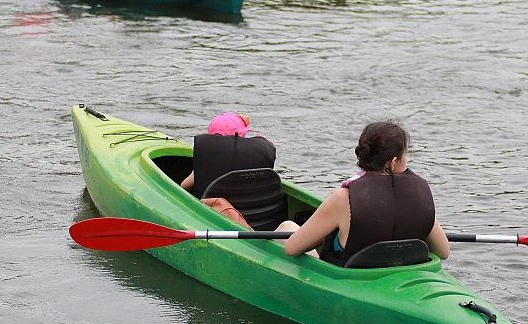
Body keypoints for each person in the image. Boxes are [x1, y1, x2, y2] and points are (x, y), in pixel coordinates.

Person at [274, 121, 449, 264]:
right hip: (402, 274)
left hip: (350, 278)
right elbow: (443, 251)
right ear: (394, 162)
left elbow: (292, 249)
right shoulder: (418, 196)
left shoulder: (344, 198)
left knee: (287, 227)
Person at [180, 112, 277, 198]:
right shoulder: (256, 156)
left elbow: (184, 187)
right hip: (250, 212)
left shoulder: (207, 154)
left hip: (212, 209)